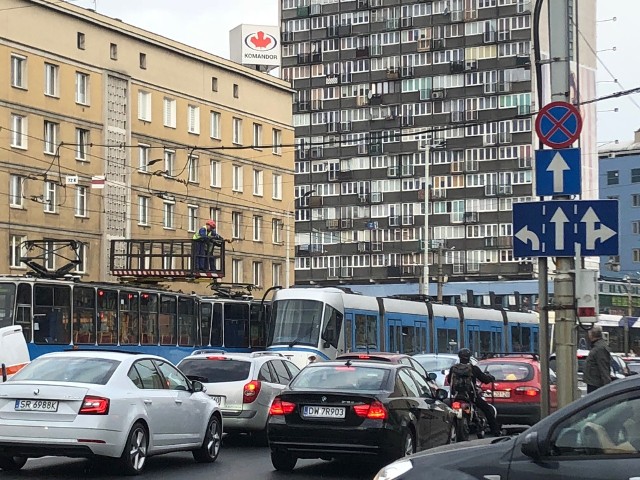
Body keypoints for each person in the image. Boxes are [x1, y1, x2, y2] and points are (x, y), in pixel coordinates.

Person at [447, 348, 501, 436]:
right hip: (471, 396)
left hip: (457, 396)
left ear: (459, 357)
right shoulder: (473, 368)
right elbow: (485, 379)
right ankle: (495, 431)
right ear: (469, 357)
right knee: (487, 409)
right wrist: (490, 378)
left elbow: (450, 380)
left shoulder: (453, 368)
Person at [584, 324, 611, 393]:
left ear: (591, 334)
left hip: (596, 386)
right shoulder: (597, 347)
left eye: (589, 332)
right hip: (594, 384)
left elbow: (603, 368)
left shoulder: (600, 348)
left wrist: (607, 390)